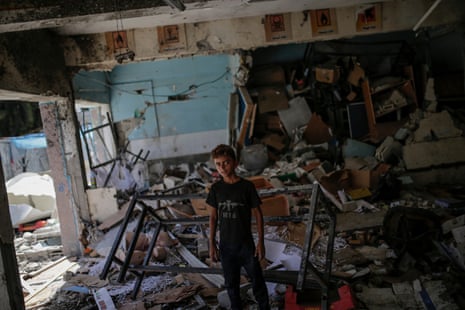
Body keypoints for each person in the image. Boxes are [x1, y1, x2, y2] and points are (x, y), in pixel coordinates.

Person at [206, 144, 270, 310]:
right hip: (226, 247)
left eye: (226, 162)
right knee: (231, 285)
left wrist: (260, 242)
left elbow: (258, 214)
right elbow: (213, 218)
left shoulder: (246, 187)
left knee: (257, 281)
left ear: (235, 163)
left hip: (246, 245)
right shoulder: (216, 189)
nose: (222, 167)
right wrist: (212, 243)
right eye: (218, 164)